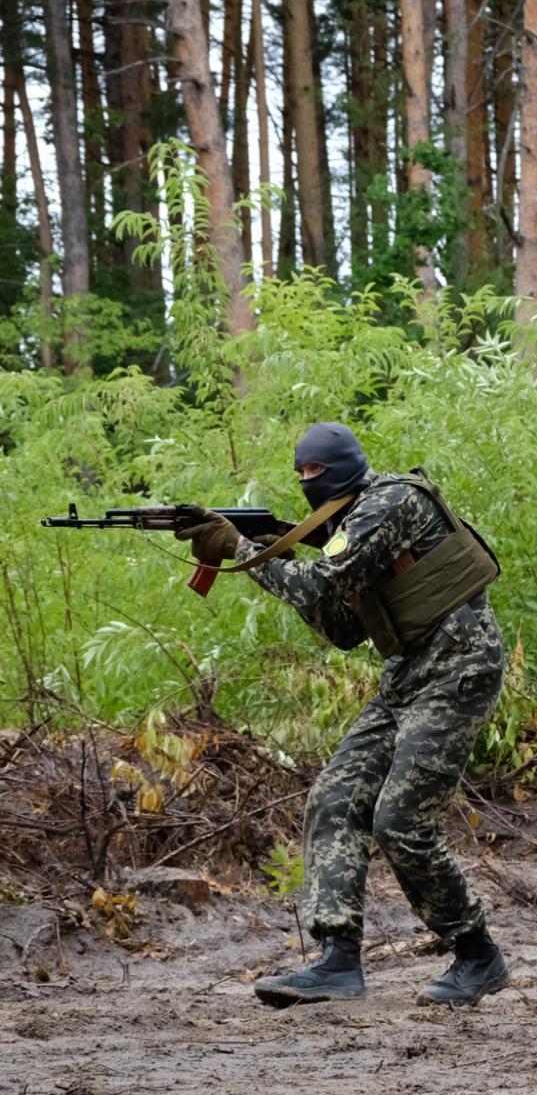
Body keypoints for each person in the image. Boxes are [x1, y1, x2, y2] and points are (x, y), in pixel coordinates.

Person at [175, 423, 511, 1010]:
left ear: (346, 466)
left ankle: (477, 954)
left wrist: (244, 549)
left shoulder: (389, 502)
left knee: (400, 821)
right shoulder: (348, 525)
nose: (309, 481)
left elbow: (318, 582)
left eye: (317, 472)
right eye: (301, 473)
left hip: (459, 670)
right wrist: (280, 551)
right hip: (405, 678)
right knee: (334, 798)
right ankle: (337, 960)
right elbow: (342, 629)